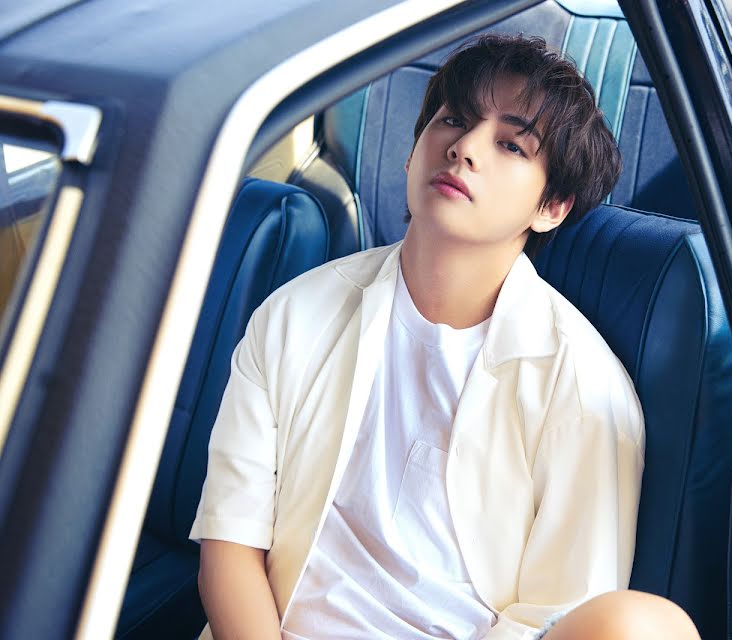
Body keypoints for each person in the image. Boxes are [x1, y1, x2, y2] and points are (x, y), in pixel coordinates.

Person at [190, 34, 701, 640]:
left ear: (552, 207)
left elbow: (556, 617)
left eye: (511, 144)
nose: (464, 148)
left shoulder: (585, 390)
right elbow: (231, 543)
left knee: (645, 626)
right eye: (454, 119)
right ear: (412, 154)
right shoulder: (296, 313)